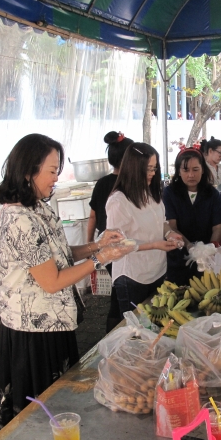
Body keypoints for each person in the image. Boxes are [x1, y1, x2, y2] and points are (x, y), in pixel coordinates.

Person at [0, 134, 133, 428]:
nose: (56, 178)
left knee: (59, 406)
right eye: (52, 171)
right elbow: (52, 280)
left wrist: (97, 244)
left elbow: (57, 255)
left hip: (54, 321)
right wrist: (100, 259)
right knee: (39, 415)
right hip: (34, 331)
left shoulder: (37, 207)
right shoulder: (20, 219)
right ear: (28, 171)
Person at [106, 142, 183, 314]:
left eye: (154, 168)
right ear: (134, 168)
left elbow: (161, 222)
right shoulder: (119, 201)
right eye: (148, 169)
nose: (152, 173)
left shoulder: (151, 192)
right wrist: (154, 245)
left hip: (157, 270)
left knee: (157, 319)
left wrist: (169, 233)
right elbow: (116, 244)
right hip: (132, 276)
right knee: (137, 326)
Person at [87, 131, 134, 332]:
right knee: (122, 293)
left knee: (117, 290)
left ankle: (114, 332)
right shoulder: (129, 184)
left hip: (106, 246)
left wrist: (90, 245)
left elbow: (92, 217)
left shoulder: (102, 183)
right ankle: (118, 333)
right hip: (124, 246)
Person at [163, 148, 221, 285]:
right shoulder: (169, 193)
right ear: (178, 171)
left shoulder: (213, 194)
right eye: (186, 170)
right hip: (176, 259)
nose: (191, 175)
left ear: (203, 170)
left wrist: (210, 248)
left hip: (205, 261)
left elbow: (218, 226)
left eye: (195, 169)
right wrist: (190, 247)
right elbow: (171, 226)